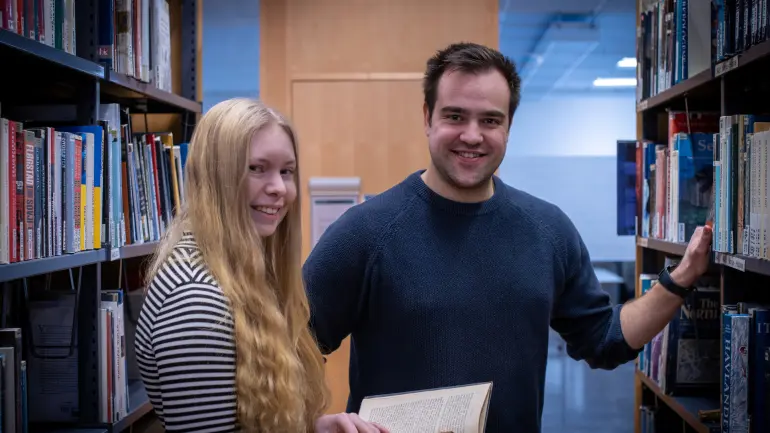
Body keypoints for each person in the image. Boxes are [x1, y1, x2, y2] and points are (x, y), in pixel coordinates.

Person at [302, 42, 713, 432]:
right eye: (455, 116)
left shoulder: (548, 231)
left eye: (490, 120)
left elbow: (605, 340)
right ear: (427, 117)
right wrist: (312, 422)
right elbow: (288, 346)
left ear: (509, 126)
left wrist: (679, 280)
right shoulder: (365, 233)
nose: (472, 135)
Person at [134, 98, 388, 433]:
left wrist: (315, 429)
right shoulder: (196, 299)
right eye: (256, 168)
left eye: (286, 171)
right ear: (216, 177)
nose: (279, 188)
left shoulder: (237, 272)